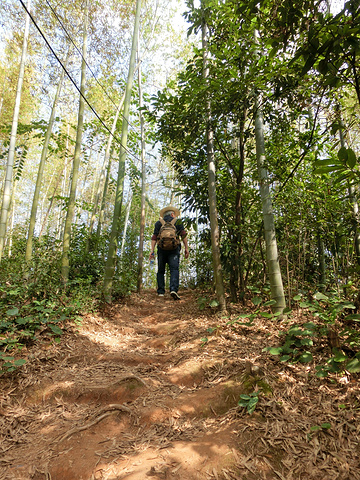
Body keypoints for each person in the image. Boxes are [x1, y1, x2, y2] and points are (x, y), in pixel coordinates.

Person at [149, 206, 189, 300]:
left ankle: (161, 292)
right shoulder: (178, 222)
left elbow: (154, 237)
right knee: (174, 269)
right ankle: (173, 289)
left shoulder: (159, 223)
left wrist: (152, 250)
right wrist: (186, 248)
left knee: (161, 270)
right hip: (174, 250)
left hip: (161, 249)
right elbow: (183, 234)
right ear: (172, 214)